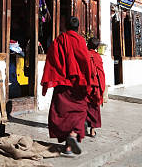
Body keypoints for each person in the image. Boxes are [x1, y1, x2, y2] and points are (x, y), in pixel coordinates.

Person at [41, 16, 92, 157]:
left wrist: (54, 77)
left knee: (61, 113)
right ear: (78, 28)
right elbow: (86, 61)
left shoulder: (59, 40)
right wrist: (88, 79)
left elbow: (52, 59)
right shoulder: (80, 41)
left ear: (66, 26)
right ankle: (72, 137)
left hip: (62, 84)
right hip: (77, 84)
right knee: (79, 112)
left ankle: (68, 146)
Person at [86, 37, 105, 138]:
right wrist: (102, 87)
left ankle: (81, 127)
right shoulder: (98, 57)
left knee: (84, 106)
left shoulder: (85, 55)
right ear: (97, 47)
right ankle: (92, 131)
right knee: (94, 108)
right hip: (96, 86)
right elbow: (101, 73)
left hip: (87, 85)